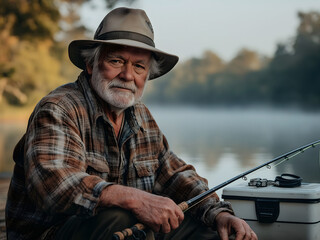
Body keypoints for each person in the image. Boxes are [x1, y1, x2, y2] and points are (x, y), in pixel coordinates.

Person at [6, 7, 257, 240]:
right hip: (49, 234)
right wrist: (134, 199)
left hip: (125, 231)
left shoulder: (141, 116)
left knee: (211, 231)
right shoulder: (59, 108)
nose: (128, 75)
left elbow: (175, 176)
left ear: (147, 75)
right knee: (121, 215)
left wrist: (219, 213)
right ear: (91, 64)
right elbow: (54, 185)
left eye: (139, 67)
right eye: (116, 61)